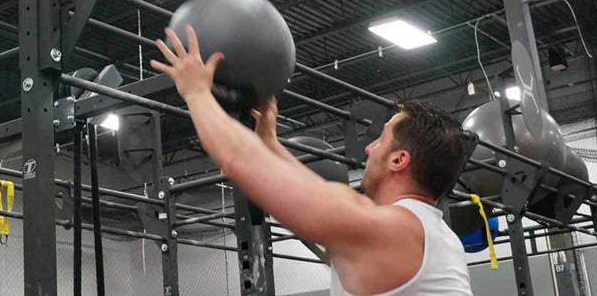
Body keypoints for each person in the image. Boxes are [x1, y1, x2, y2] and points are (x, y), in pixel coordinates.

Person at [151, 26, 473, 296]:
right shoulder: (435, 236)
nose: (369, 148)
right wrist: (270, 144)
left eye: (382, 139)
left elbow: (241, 161)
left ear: (399, 160)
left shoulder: (388, 229)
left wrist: (196, 93)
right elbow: (314, 193)